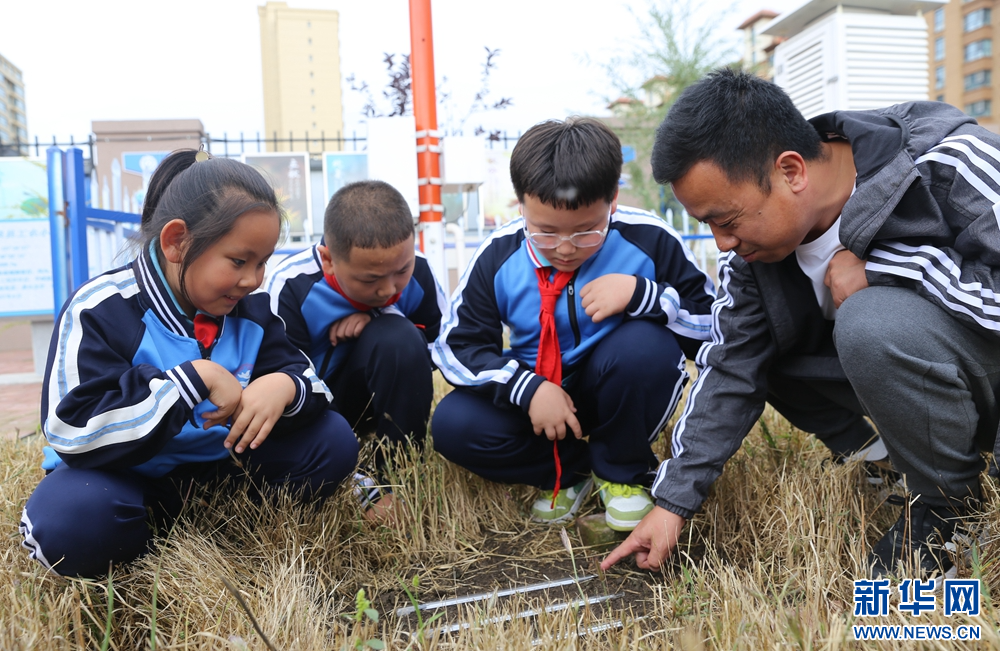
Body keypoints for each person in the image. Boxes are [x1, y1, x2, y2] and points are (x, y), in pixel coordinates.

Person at [603, 68, 997, 579]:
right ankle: (885, 463)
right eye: (709, 227)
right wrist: (671, 504)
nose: (722, 243)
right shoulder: (752, 258)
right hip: (917, 377)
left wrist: (890, 268)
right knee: (764, 350)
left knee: (866, 318)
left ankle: (947, 502)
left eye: (726, 220)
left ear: (791, 171)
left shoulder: (949, 162)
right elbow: (728, 368)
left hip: (985, 377)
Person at [19, 150, 359, 578]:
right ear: (176, 241)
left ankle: (223, 517)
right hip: (125, 478)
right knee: (70, 522)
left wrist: (284, 387)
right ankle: (142, 531)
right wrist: (190, 381)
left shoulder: (249, 310)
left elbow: (313, 385)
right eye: (239, 261)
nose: (253, 279)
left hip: (222, 472)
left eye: (262, 263)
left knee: (333, 441)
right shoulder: (100, 309)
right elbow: (71, 429)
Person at [431, 117, 716, 530]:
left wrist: (645, 297)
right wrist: (525, 389)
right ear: (521, 204)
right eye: (545, 232)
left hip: (612, 381)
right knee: (453, 424)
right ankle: (573, 471)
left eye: (586, 232)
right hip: (539, 391)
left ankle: (620, 469)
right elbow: (456, 347)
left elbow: (712, 325)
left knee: (644, 348)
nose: (565, 249)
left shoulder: (648, 240)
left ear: (612, 200)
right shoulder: (498, 256)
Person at [266, 180, 445, 510]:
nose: (389, 288)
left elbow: (442, 349)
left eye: (400, 271)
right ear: (329, 259)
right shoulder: (291, 284)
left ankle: (399, 470)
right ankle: (356, 477)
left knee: (399, 338)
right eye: (370, 279)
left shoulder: (418, 270)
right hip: (318, 409)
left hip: (383, 400)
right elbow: (286, 379)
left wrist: (381, 316)